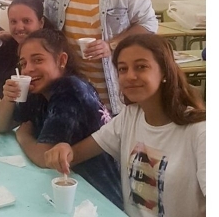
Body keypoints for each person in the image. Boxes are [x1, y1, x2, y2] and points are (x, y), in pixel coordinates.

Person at [44, 34, 205, 216]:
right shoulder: (130, 116)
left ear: (165, 73)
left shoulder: (200, 131)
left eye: (141, 67)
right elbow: (75, 154)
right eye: (122, 69)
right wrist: (64, 149)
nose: (130, 76)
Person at [0, 28, 123, 208]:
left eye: (38, 60)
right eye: (23, 63)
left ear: (61, 60)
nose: (29, 69)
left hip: (99, 198)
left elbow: (45, 157)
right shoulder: (38, 90)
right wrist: (8, 98)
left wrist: (24, 137)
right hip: (68, 188)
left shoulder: (70, 90)